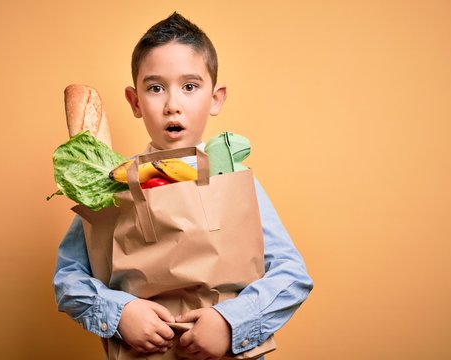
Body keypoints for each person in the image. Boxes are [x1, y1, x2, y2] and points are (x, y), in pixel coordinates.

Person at [53, 12, 313, 360]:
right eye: (155, 88)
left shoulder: (231, 178)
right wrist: (119, 314)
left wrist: (230, 323)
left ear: (216, 98)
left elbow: (292, 275)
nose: (172, 105)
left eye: (190, 87)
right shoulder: (111, 187)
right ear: (134, 101)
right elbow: (68, 280)